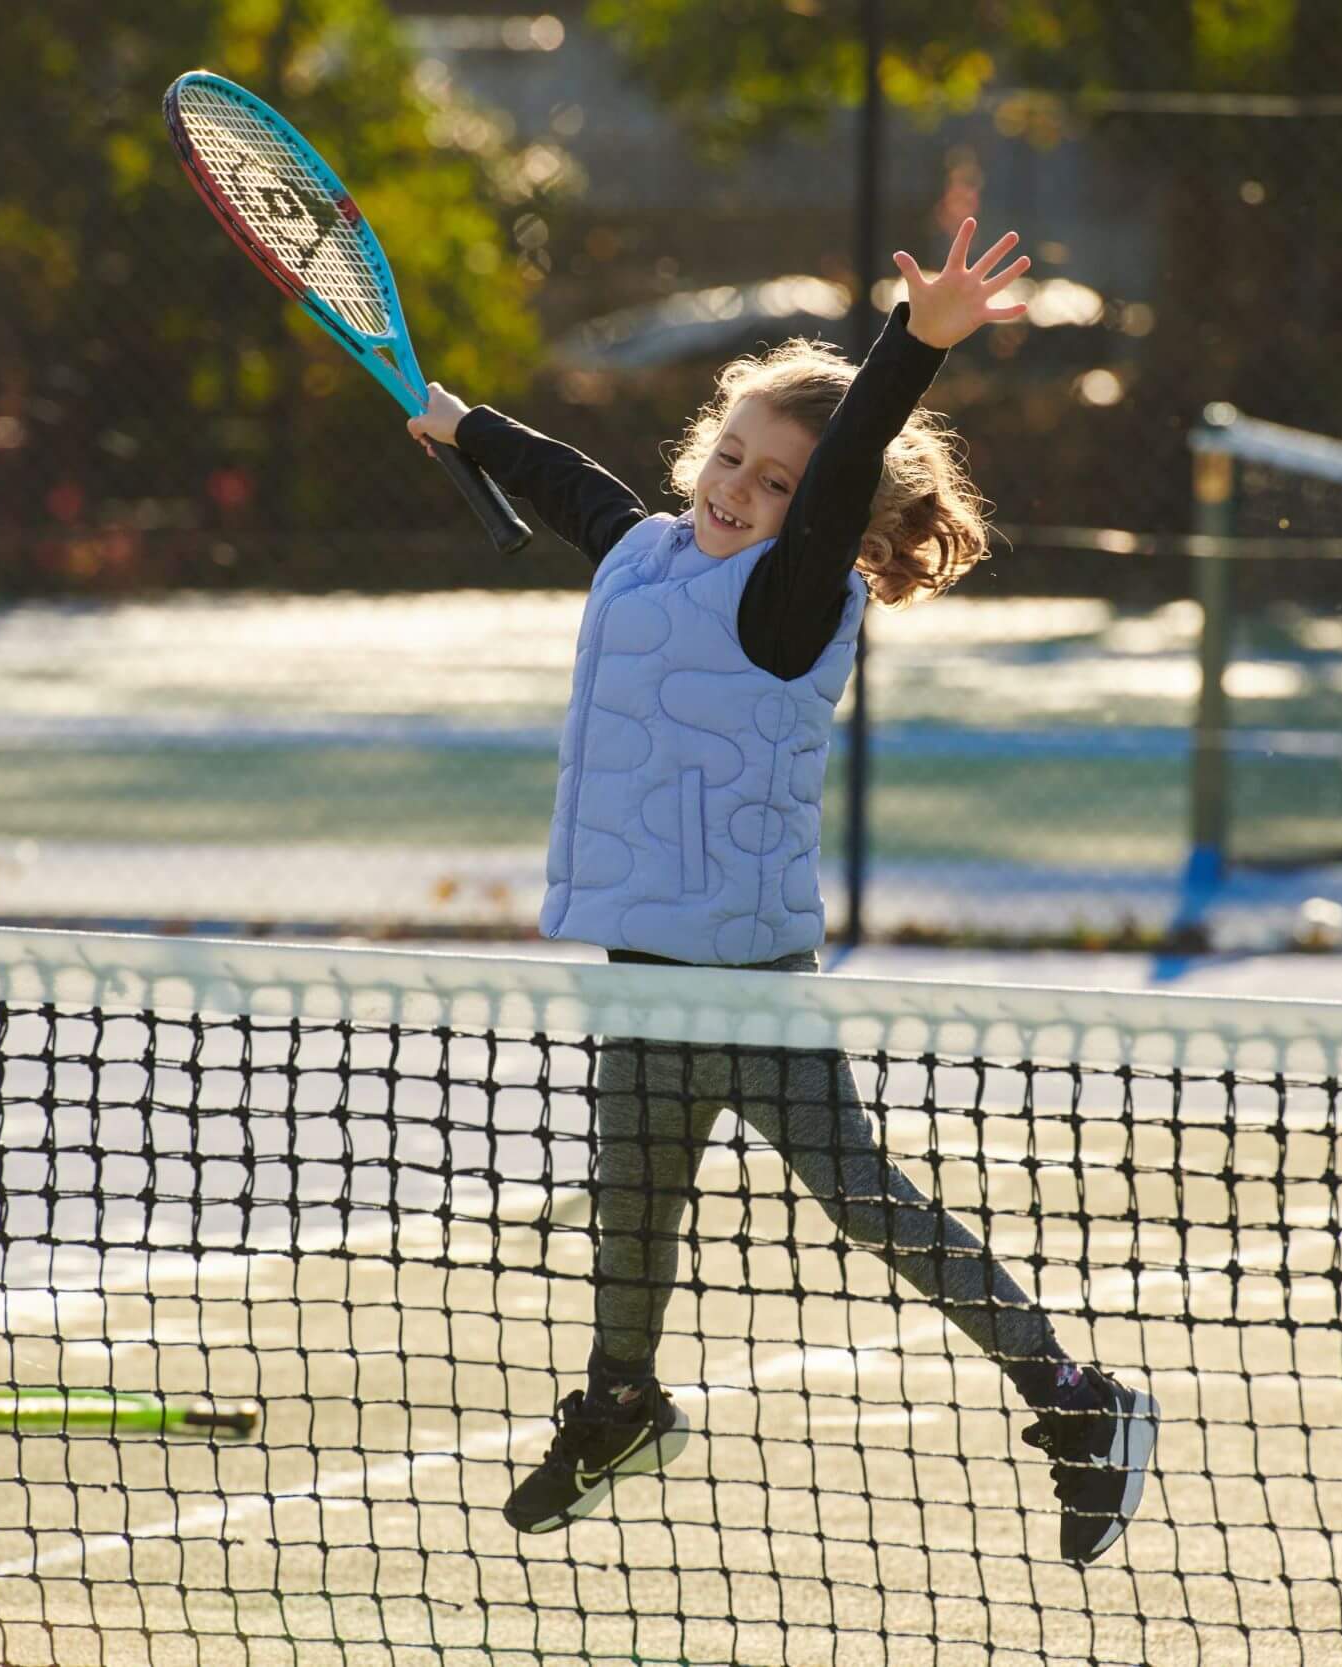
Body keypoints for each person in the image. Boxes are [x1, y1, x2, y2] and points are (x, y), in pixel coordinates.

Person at [405, 220, 1156, 1567]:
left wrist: (912, 346)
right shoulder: (641, 555)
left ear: (816, 518)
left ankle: (1080, 1404)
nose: (737, 489)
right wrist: (468, 429)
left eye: (774, 481)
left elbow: (850, 457)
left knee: (862, 1199)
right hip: (645, 965)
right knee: (629, 1204)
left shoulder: (790, 600)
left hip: (748, 980)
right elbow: (575, 481)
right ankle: (622, 1405)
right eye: (729, 455)